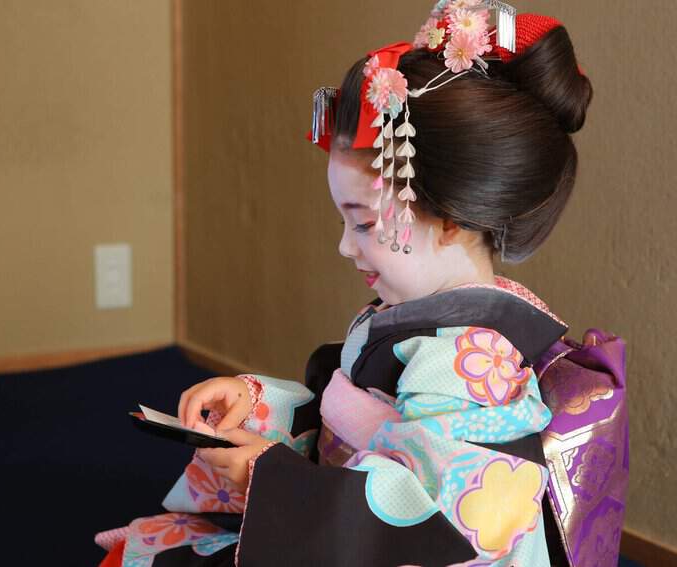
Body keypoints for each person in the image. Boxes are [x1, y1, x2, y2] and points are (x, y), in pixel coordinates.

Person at [96, 2, 629, 565]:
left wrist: (270, 479)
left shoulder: (471, 362)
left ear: (450, 216)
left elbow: (441, 525)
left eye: (366, 223)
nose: (346, 246)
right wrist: (257, 405)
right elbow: (346, 420)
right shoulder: (429, 327)